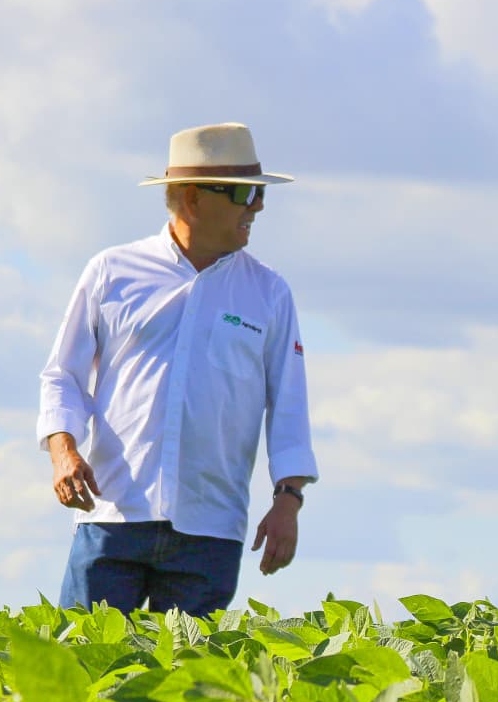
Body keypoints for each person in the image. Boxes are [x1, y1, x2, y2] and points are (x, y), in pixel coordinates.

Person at [37, 122, 317, 615]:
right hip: (113, 517)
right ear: (192, 198)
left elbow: (289, 404)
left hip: (210, 529)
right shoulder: (111, 271)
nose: (258, 206)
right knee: (81, 671)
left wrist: (288, 501)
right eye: (245, 193)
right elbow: (63, 374)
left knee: (189, 689)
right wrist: (63, 451)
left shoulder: (270, 293)